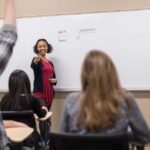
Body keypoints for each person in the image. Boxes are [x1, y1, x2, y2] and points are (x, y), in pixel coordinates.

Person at [60, 50, 150, 145]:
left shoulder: (71, 100)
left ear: (85, 74)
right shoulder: (126, 100)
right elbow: (145, 136)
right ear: (112, 72)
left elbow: (62, 141)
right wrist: (124, 137)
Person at [0, 69, 48, 149]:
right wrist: (44, 109)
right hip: (30, 139)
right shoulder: (32, 99)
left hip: (9, 140)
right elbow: (41, 115)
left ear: (11, 84)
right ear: (26, 83)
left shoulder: (5, 100)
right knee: (43, 143)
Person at [31, 38, 57, 110]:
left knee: (47, 117)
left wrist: (55, 81)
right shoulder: (37, 59)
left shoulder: (50, 63)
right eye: (40, 46)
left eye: (44, 46)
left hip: (50, 93)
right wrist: (35, 61)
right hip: (40, 94)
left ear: (47, 47)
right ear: (37, 49)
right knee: (43, 117)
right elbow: (33, 66)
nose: (42, 48)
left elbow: (54, 77)